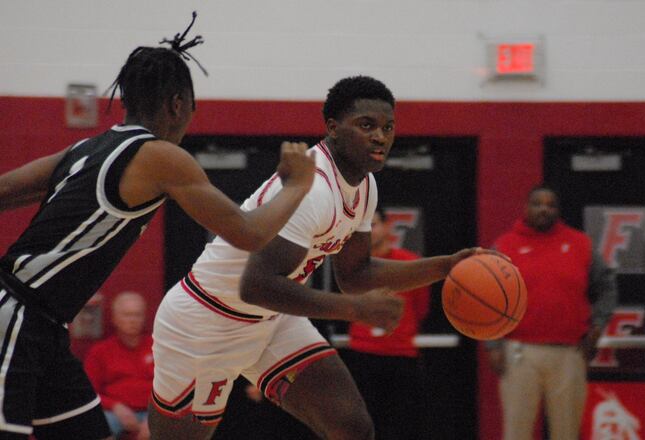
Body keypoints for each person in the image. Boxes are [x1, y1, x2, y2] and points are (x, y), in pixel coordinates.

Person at [0, 13, 314, 440]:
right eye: (192, 112)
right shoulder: (161, 156)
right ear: (177, 104)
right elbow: (249, 234)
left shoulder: (86, 148)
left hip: (45, 328)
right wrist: (296, 185)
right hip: (16, 314)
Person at [148, 75, 491, 440]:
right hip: (206, 320)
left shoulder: (365, 186)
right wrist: (355, 311)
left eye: (388, 127)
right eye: (366, 125)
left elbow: (356, 274)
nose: (380, 136)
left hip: (270, 320)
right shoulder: (314, 190)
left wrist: (445, 266)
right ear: (333, 128)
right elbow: (257, 286)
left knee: (351, 426)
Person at [486, 185, 617, 440]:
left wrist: (598, 325)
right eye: (537, 203)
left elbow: (607, 287)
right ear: (526, 207)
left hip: (569, 353)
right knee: (516, 432)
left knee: (566, 433)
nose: (544, 209)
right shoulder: (505, 246)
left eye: (550, 205)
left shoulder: (580, 244)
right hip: (519, 351)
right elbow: (487, 297)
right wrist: (492, 344)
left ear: (558, 210)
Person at [342, 207, 431, 440]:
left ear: (387, 227)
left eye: (374, 224)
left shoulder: (410, 264)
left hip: (401, 356)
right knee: (359, 427)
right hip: (362, 354)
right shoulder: (349, 267)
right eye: (363, 227)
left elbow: (421, 308)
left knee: (402, 427)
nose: (369, 231)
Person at [84, 292, 153, 440]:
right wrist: (115, 406)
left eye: (137, 315)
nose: (132, 320)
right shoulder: (100, 351)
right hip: (114, 413)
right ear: (115, 318)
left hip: (153, 412)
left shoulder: (158, 348)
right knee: (95, 425)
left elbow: (171, 390)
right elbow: (88, 392)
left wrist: (154, 418)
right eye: (127, 315)